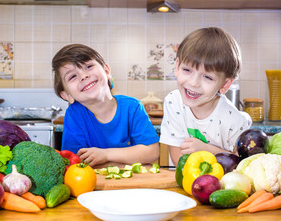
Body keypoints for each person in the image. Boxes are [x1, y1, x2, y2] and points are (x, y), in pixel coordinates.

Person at [52, 44, 159, 167]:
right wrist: (128, 161)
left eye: (88, 66)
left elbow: (152, 152)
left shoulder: (132, 107)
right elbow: (75, 163)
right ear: (66, 95)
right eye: (72, 76)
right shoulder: (74, 114)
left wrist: (105, 155)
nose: (84, 76)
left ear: (107, 71)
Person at [160, 27, 252, 167]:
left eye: (207, 77)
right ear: (177, 66)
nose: (193, 83)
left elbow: (241, 165)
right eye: (187, 70)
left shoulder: (234, 121)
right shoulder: (174, 102)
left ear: (225, 84)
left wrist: (207, 149)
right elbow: (177, 157)